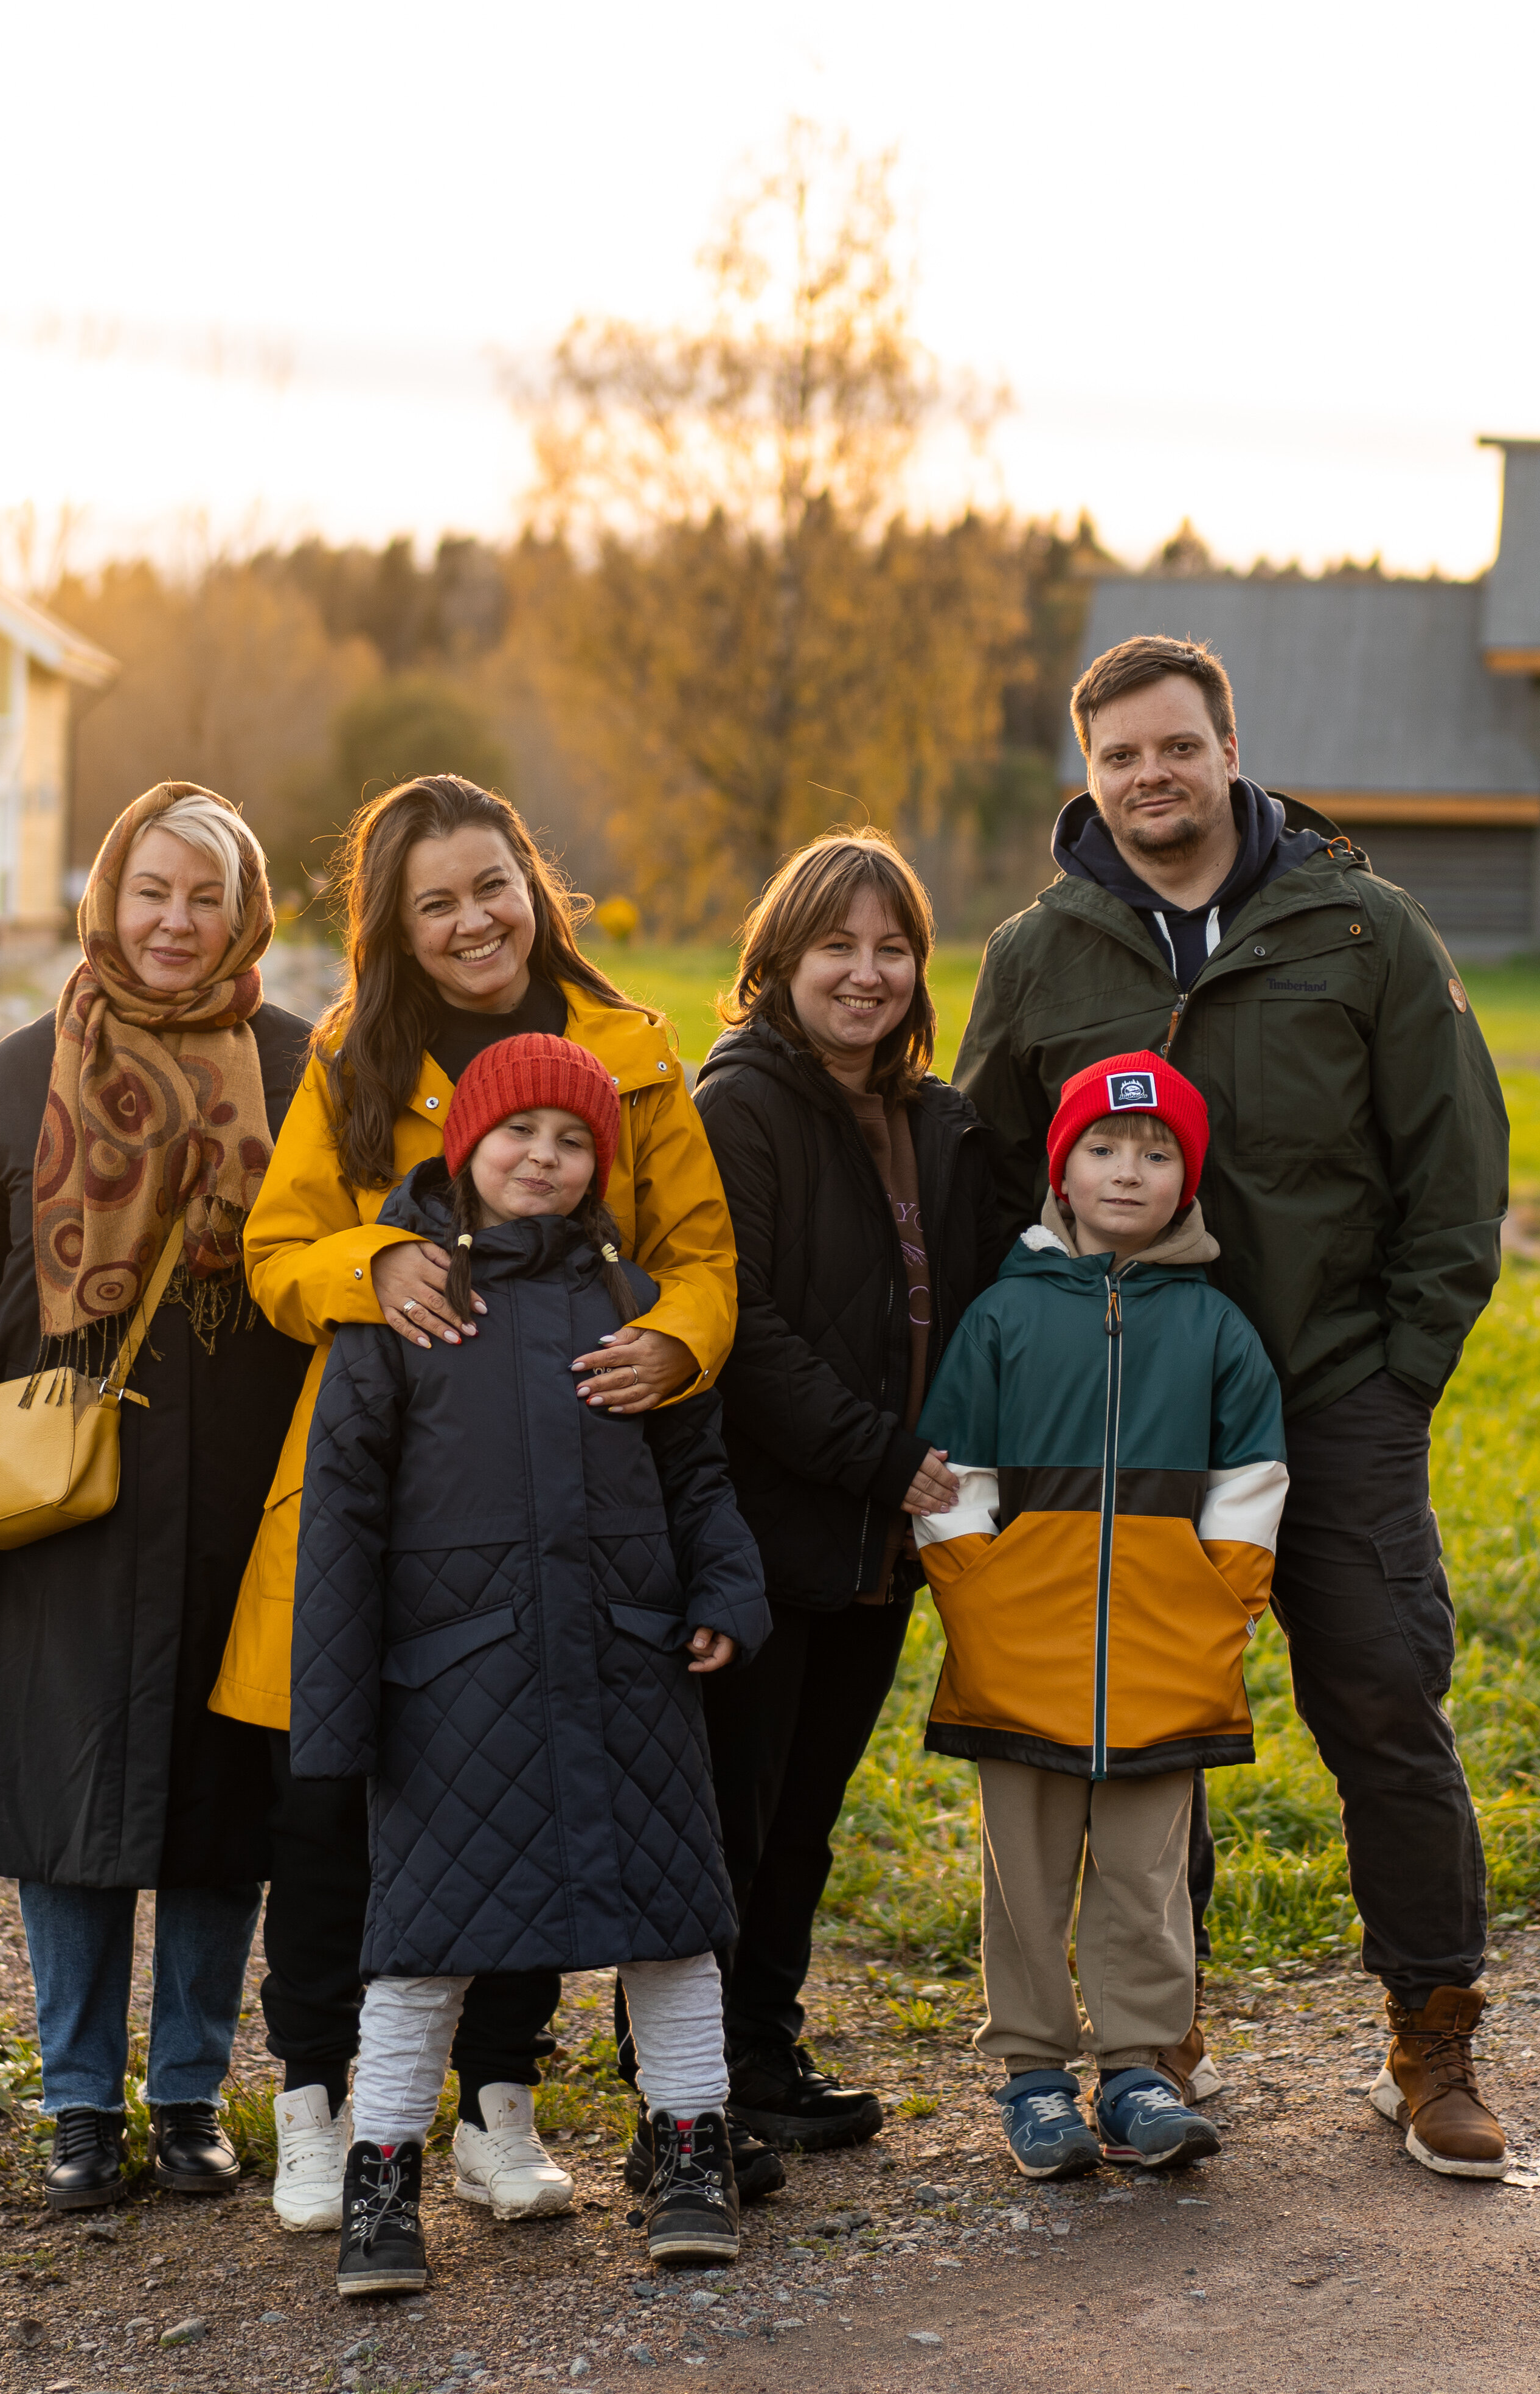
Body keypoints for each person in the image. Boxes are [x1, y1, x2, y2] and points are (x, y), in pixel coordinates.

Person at [952, 633, 1514, 2179]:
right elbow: (984, 1188)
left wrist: (1398, 1378)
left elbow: (1456, 1175)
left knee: (1385, 1699)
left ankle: (1433, 2035)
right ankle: (1152, 2045)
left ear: (1227, 746)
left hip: (1331, 1395)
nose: (1152, 776)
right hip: (1120, 1414)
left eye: (1176, 746)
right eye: (1121, 754)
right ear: (1092, 773)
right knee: (1139, 1728)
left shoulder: (1364, 928)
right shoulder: (1040, 956)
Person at [215, 774, 742, 2232]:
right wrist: (370, 1259)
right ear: (394, 923)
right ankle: (317, 2099)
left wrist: (676, 1338)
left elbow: (701, 1254)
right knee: (337, 1799)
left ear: (535, 884)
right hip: (391, 1493)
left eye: (491, 886)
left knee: (546, 1769)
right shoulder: (352, 1058)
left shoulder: (630, 1056)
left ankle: (497, 2097)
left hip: (581, 1480)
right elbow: (279, 1249)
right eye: (433, 901)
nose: (470, 920)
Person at [0, 784, 307, 2212]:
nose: (174, 923)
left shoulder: (300, 1073)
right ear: (107, 898)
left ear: (244, 914)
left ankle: (185, 2097)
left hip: (246, 1496)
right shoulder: (15, 1076)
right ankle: (76, 2105)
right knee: (64, 1803)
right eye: (151, 892)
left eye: (204, 898)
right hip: (56, 1502)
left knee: (221, 1803)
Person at [291, 1035, 772, 2292]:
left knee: (672, 1928)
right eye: (519, 1135)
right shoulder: (408, 1307)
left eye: (573, 1141)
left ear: (600, 1164)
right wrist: (333, 1716)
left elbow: (695, 1474)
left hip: (626, 1662)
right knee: (420, 1947)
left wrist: (724, 1587)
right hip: (454, 1683)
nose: (545, 1158)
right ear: (465, 1149)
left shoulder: (636, 1307)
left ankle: (689, 2150)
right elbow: (338, 1513)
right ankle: (382, 2182)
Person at [680, 829, 1001, 2157]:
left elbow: (983, 1304)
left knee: (806, 1813)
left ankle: (761, 2043)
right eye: (837, 947)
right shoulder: (737, 1104)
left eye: (891, 949)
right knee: (734, 1808)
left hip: (892, 1532)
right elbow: (741, 1321)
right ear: (779, 959)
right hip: (773, 1523)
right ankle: (696, 2078)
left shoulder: (937, 1120)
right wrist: (881, 1453)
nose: (866, 974)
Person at [910, 1053, 1286, 2179]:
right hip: (1017, 1652)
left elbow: (1252, 1485)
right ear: (1063, 1171)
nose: (1130, 1171)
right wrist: (978, 1598)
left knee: (1146, 1876)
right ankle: (1033, 2078)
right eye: (1105, 1148)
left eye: (1157, 1152)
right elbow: (954, 1476)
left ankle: (1137, 2073)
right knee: (1022, 1874)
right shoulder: (1001, 1318)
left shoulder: (1218, 1328)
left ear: (1189, 1179)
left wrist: (1220, 1604)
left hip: (1170, 1659)